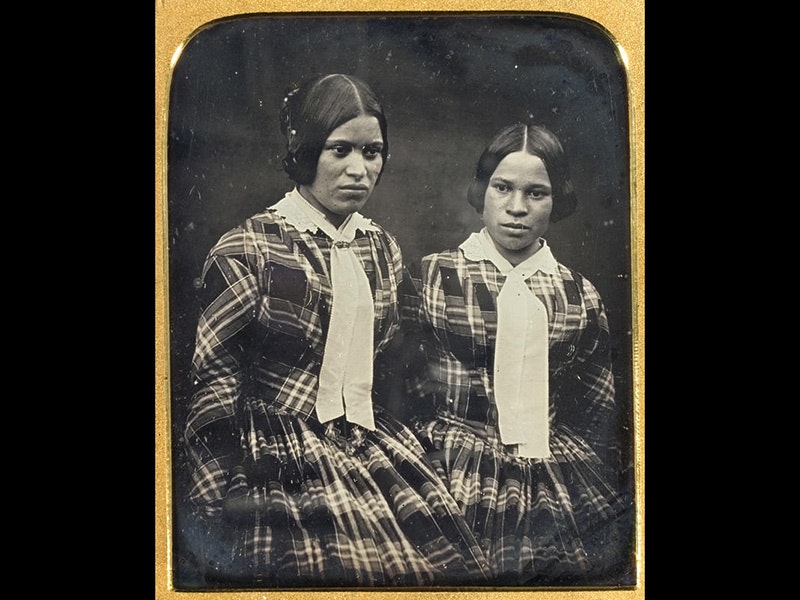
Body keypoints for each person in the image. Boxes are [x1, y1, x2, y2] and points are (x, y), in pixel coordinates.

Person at [181, 73, 490, 588]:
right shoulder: (249, 248)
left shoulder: (381, 250)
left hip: (367, 441)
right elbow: (214, 379)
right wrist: (208, 501)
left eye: (372, 152)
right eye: (339, 150)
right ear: (304, 152)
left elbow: (398, 361)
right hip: (275, 451)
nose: (359, 169)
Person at [396, 123, 632, 586]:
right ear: (482, 190)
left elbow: (597, 410)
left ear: (556, 200)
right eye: (503, 187)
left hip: (554, 468)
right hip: (446, 463)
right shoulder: (432, 275)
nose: (517, 208)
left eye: (536, 193)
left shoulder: (578, 295)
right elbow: (396, 379)